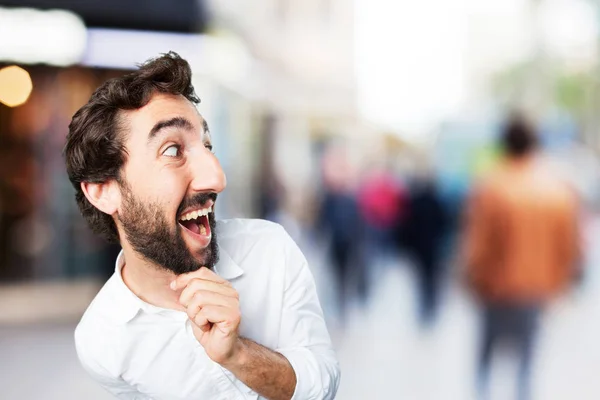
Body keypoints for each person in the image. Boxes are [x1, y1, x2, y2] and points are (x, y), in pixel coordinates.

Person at [65, 52, 339, 400]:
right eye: (172, 150)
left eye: (207, 146)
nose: (216, 178)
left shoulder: (270, 250)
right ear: (103, 192)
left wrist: (238, 354)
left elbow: (324, 383)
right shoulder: (101, 340)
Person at [463, 113, 580, 400]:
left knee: (486, 356)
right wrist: (560, 285)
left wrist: (470, 278)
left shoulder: (491, 186)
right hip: (537, 290)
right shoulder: (557, 189)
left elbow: (478, 243)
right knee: (527, 361)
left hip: (495, 288)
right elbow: (568, 247)